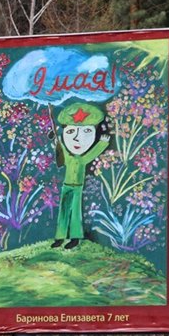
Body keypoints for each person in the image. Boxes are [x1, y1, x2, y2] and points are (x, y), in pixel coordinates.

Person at [51, 102, 109, 249]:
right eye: (71, 131)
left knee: (75, 213)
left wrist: (102, 143)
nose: (77, 139)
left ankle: (75, 237)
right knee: (63, 210)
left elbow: (94, 152)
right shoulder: (69, 158)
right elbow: (62, 150)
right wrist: (57, 141)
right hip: (66, 186)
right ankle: (60, 236)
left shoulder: (83, 159)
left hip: (77, 187)